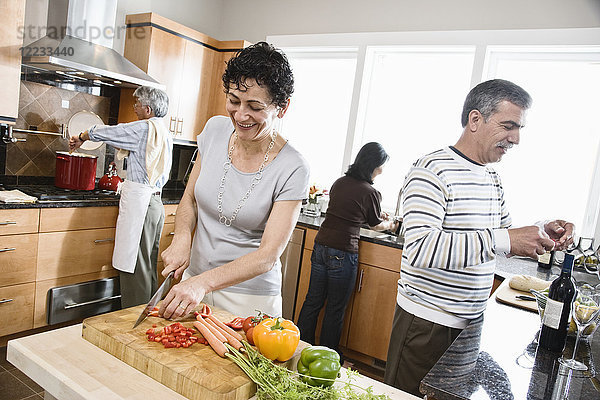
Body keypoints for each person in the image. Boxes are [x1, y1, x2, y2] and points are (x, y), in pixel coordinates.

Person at [383, 79, 575, 396]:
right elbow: (421, 250)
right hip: (427, 325)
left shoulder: (491, 177)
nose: (515, 139)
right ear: (476, 120)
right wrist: (506, 239)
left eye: (520, 128)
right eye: (508, 126)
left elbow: (500, 239)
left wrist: (542, 229)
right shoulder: (431, 169)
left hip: (470, 326)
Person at [158, 42, 310, 320]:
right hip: (193, 283)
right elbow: (190, 199)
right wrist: (181, 237)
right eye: (233, 101)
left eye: (255, 106)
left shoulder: (293, 167)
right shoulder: (215, 130)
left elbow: (266, 256)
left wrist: (203, 282)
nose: (240, 115)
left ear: (282, 107)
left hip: (248, 298)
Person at [69, 86, 173, 308]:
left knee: (135, 265)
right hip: (154, 203)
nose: (134, 108)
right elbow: (122, 139)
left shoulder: (144, 129)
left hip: (142, 204)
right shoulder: (161, 130)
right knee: (145, 265)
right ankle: (146, 318)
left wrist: (82, 135)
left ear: (148, 108)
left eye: (136, 104)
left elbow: (111, 132)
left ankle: (132, 321)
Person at [297, 142, 398, 357]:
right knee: (335, 308)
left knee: (312, 301)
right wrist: (390, 225)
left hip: (321, 245)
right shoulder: (370, 192)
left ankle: (301, 349)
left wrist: (377, 217)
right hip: (342, 252)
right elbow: (375, 224)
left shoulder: (340, 182)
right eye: (381, 165)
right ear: (374, 165)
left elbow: (348, 213)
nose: (382, 170)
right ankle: (328, 356)